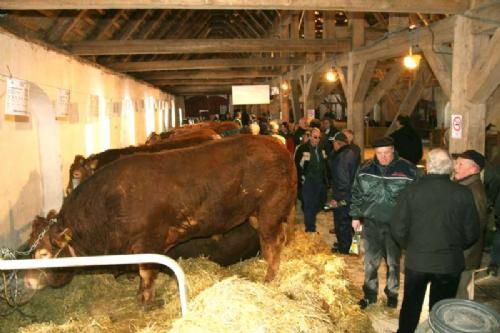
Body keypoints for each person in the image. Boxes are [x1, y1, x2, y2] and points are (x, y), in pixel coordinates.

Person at [391, 149, 480, 333]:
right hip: (448, 263)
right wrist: (454, 246)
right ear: (449, 169)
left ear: (428, 166)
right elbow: (472, 232)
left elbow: (397, 228)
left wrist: (411, 246)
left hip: (418, 261)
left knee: (410, 307)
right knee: (441, 311)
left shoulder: (411, 191)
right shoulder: (463, 194)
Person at [350, 136, 418, 309]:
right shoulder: (365, 168)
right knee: (370, 262)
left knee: (393, 263)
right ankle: (370, 295)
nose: (383, 157)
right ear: (375, 152)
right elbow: (356, 193)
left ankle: (392, 295)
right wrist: (355, 216)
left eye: (387, 152)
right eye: (379, 153)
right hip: (371, 223)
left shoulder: (408, 170)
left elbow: (417, 198)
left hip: (396, 225)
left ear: (393, 150)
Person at [452, 150, 488, 300]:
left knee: (458, 295)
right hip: (462, 254)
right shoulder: (465, 187)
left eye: (461, 164)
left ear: (474, 169)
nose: (456, 167)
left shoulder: (472, 192)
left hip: (464, 256)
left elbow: (473, 228)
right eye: (456, 163)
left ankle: (458, 321)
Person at [328, 132, 361, 254]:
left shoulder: (341, 158)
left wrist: (337, 199)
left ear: (338, 143)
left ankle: (344, 248)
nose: (333, 145)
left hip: (344, 195)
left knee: (342, 222)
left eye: (333, 143)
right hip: (354, 193)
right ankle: (352, 245)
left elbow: (342, 181)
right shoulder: (354, 151)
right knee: (353, 222)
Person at [295, 127, 328, 232]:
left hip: (320, 181)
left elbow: (325, 165)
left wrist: (326, 180)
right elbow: (297, 166)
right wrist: (301, 181)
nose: (317, 139)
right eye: (315, 137)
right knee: (309, 205)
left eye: (319, 137)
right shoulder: (302, 149)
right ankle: (310, 229)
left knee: (319, 203)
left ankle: (311, 220)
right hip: (308, 182)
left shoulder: (322, 148)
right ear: (309, 137)